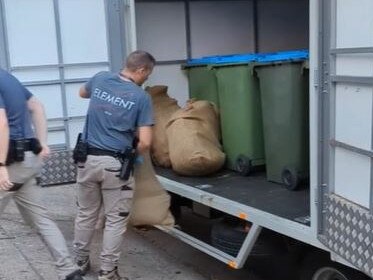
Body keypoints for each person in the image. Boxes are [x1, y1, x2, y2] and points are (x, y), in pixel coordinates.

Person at [73, 50, 155, 280]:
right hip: (115, 166)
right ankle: (107, 272)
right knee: (115, 219)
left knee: (86, 213)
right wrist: (132, 153)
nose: (147, 78)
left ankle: (79, 262)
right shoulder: (141, 98)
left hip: (86, 160)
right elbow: (146, 142)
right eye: (148, 73)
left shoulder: (100, 78)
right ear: (141, 70)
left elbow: (81, 93)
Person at [0, 68, 83, 280]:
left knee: (40, 219)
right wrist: (43, 141)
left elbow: (1, 122)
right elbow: (37, 106)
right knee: (41, 219)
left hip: (10, 163)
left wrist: (1, 166)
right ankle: (69, 271)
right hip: (29, 159)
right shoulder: (8, 78)